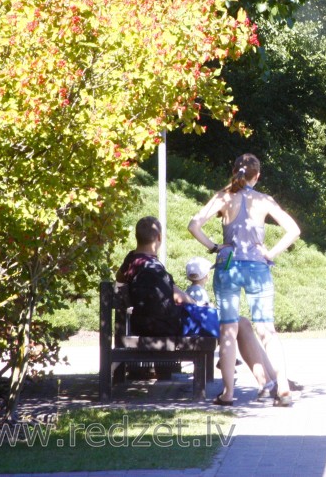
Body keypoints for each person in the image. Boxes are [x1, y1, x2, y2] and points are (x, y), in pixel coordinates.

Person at [188, 153, 301, 407]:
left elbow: (193, 225)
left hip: (228, 266)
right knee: (266, 329)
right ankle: (283, 388)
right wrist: (270, 252)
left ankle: (227, 393)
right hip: (258, 269)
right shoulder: (264, 200)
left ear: (234, 170)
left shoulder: (223, 197)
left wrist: (215, 246)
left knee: (228, 328)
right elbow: (294, 230)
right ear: (257, 176)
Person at [185, 255, 279, 396]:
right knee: (236, 324)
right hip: (202, 327)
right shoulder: (199, 291)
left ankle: (269, 379)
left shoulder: (189, 290)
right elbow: (201, 309)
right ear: (206, 276)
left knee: (238, 323)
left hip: (195, 324)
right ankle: (265, 380)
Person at [116, 216, 195, 336]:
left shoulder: (131, 259)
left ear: (137, 237)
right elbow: (178, 296)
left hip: (138, 325)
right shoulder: (155, 267)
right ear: (159, 237)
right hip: (164, 329)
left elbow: (119, 277)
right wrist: (196, 303)